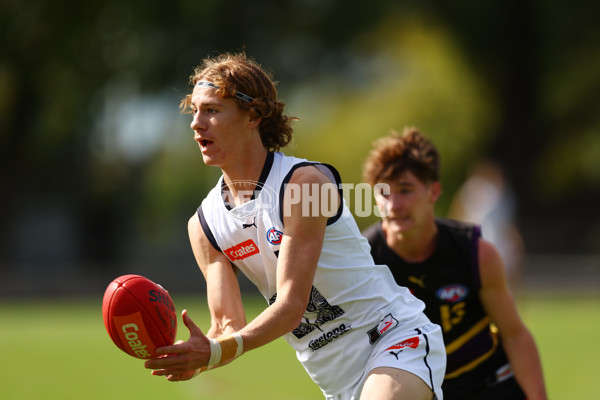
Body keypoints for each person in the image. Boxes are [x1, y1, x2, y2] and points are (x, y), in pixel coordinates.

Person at [144, 52, 446, 400]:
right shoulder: (204, 225)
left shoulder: (303, 184)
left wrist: (214, 352)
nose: (197, 123)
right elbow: (229, 325)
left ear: (253, 115)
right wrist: (196, 355)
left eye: (211, 110)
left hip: (393, 337)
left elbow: (291, 305)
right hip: (335, 380)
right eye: (194, 110)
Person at [361, 127, 547, 400]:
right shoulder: (365, 261)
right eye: (384, 193)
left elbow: (515, 335)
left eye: (405, 190)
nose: (394, 205)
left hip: (487, 384)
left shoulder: (475, 253)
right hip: (420, 390)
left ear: (433, 192)